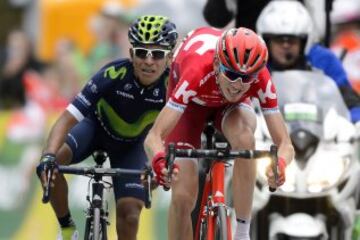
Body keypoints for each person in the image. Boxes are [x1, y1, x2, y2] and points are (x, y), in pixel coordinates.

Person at [144, 27, 294, 240]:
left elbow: (285, 144)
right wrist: (159, 160)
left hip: (229, 108)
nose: (238, 85)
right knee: (183, 197)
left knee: (245, 139)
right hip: (191, 107)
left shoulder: (261, 77)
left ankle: (242, 233)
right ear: (216, 64)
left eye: (247, 78)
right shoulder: (195, 70)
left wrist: (280, 165)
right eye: (232, 74)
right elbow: (153, 137)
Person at [36, 15, 178, 240]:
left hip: (134, 145)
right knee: (53, 164)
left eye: (157, 54)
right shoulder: (112, 74)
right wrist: (47, 157)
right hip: (94, 129)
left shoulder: (173, 87)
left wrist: (158, 171)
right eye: (142, 52)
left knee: (130, 214)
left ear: (170, 58)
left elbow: (174, 136)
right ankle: (66, 227)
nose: (149, 61)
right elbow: (66, 119)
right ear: (131, 54)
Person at [256, 0, 360, 123]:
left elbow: (349, 101)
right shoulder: (254, 65)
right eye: (279, 40)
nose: (285, 46)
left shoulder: (324, 60)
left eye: (292, 41)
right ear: (266, 42)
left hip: (321, 136)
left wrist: (355, 124)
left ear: (304, 41)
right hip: (266, 137)